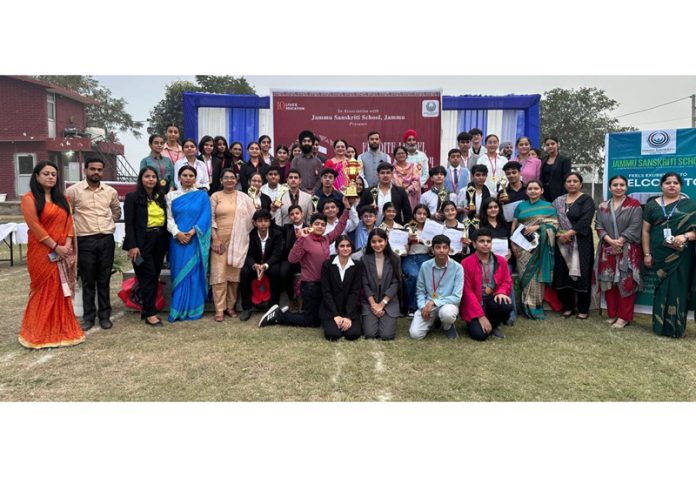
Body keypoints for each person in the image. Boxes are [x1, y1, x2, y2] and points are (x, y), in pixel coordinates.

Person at [257, 198, 353, 328]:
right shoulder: (305, 240)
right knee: (311, 322)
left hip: (323, 284)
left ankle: (286, 314)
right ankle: (278, 316)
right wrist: (301, 239)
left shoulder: (326, 239)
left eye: (323, 224)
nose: (320, 226)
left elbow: (339, 228)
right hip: (309, 285)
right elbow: (292, 259)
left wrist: (347, 209)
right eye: (317, 224)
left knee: (318, 318)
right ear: (311, 226)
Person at [19, 161, 85, 348]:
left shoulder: (62, 199)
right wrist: (55, 246)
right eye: (46, 173)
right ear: (37, 176)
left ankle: (61, 330)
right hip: (42, 252)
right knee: (43, 290)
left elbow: (69, 222)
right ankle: (38, 332)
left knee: (60, 290)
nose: (50, 177)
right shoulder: (29, 199)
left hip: (63, 250)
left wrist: (67, 244)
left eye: (53, 174)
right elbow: (35, 227)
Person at [66, 157, 121, 331]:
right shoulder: (73, 191)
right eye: (92, 169)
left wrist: (107, 224)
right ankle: (89, 317)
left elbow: (116, 212)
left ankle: (105, 316)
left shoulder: (110, 191)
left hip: (105, 239)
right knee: (88, 280)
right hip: (85, 240)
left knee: (104, 279)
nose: (96, 172)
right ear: (85, 170)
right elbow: (68, 215)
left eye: (99, 169)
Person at [642, 172, 696, 338]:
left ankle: (676, 328)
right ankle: (659, 326)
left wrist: (684, 236)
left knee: (679, 289)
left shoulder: (690, 205)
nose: (672, 185)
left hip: (682, 256)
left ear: (680, 186)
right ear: (661, 185)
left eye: (675, 183)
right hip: (660, 255)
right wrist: (647, 254)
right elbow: (645, 231)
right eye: (668, 182)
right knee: (661, 289)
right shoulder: (652, 205)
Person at [594, 175, 643, 329]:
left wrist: (620, 241)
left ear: (626, 187)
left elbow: (635, 226)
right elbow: (598, 225)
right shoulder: (603, 206)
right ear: (610, 188)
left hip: (628, 249)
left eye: (622, 185)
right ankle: (613, 314)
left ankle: (624, 317)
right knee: (609, 281)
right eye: (615, 185)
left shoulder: (634, 204)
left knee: (625, 282)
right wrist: (610, 241)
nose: (618, 187)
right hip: (607, 249)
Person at [123, 166, 170, 327]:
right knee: (147, 276)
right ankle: (150, 314)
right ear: (141, 179)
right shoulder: (132, 197)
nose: (151, 179)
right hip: (141, 242)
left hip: (159, 241)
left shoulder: (160, 197)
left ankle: (146, 309)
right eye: (147, 176)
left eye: (153, 177)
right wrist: (132, 246)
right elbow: (129, 224)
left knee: (154, 275)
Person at [166, 165, 212, 322]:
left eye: (191, 175)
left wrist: (192, 232)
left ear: (195, 178)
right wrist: (177, 233)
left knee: (193, 273)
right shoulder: (171, 196)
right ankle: (178, 309)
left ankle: (193, 309)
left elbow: (205, 216)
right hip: (177, 240)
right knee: (179, 273)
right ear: (179, 178)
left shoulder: (202, 196)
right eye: (184, 175)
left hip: (195, 239)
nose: (187, 178)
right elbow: (169, 218)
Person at [210, 169, 257, 321]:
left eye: (232, 178)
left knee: (234, 275)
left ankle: (230, 306)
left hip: (239, 240)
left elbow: (253, 217)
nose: (229, 180)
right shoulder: (215, 196)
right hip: (220, 241)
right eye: (226, 178)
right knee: (219, 275)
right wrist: (215, 239)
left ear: (236, 181)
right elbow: (210, 219)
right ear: (221, 180)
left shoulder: (244, 197)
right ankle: (219, 309)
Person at [511, 180, 558, 320]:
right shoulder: (520, 206)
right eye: (530, 188)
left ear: (541, 191)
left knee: (536, 278)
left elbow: (554, 226)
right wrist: (513, 244)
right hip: (523, 246)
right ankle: (526, 307)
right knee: (524, 276)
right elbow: (514, 227)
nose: (533, 191)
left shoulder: (549, 207)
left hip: (541, 247)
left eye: (536, 188)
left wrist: (538, 227)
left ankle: (536, 307)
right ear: (526, 191)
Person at [552, 172, 596, 320]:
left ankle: (583, 308)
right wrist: (560, 234)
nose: (572, 183)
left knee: (582, 274)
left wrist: (569, 233)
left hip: (581, 242)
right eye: (569, 181)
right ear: (565, 184)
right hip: (561, 242)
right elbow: (552, 219)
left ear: (580, 184)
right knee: (563, 272)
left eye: (575, 181)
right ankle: (567, 306)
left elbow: (585, 220)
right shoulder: (559, 201)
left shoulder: (586, 199)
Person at [461, 228, 514, 340]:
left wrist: (502, 292)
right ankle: (480, 322)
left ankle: (494, 325)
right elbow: (467, 292)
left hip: (492, 299)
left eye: (488, 241)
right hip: (475, 302)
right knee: (479, 335)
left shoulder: (501, 261)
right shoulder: (466, 263)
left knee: (505, 305)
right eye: (481, 241)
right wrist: (480, 316)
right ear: (474, 244)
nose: (485, 244)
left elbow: (507, 281)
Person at [409, 234, 464, 340]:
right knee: (415, 335)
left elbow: (457, 297)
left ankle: (447, 325)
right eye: (438, 247)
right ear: (432, 250)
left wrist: (434, 302)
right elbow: (420, 290)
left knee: (447, 314)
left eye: (445, 247)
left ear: (449, 249)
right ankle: (435, 321)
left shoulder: (458, 268)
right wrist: (422, 307)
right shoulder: (425, 266)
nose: (441, 250)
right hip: (428, 304)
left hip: (447, 304)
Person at [238, 210, 284, 321]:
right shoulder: (250, 235)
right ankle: (247, 308)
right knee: (244, 272)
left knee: (276, 271)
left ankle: (274, 307)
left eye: (266, 221)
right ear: (254, 223)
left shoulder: (277, 234)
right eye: (260, 221)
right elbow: (247, 255)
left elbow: (277, 254)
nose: (263, 223)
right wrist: (254, 265)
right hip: (255, 265)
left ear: (269, 222)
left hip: (270, 264)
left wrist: (266, 265)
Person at [319, 235, 364, 341]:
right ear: (336, 249)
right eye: (342, 246)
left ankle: (346, 320)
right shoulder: (327, 265)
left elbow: (355, 292)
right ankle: (333, 321)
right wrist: (336, 315)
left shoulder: (358, 266)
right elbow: (326, 292)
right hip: (330, 310)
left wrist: (348, 316)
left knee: (353, 334)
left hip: (350, 310)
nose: (345, 248)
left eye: (348, 246)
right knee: (333, 335)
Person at [479, 197, 516, 323]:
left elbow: (510, 242)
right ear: (485, 210)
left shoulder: (505, 224)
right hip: (486, 262)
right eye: (490, 207)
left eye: (495, 207)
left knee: (508, 279)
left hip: (505, 261)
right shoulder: (480, 225)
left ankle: (510, 315)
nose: (493, 209)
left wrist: (510, 251)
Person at [361, 228, 402, 340]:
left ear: (386, 241)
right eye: (373, 242)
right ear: (370, 243)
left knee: (386, 335)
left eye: (380, 241)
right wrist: (374, 305)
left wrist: (382, 304)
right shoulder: (364, 259)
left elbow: (395, 283)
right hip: (370, 300)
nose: (377, 244)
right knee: (370, 334)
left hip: (388, 300)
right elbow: (364, 283)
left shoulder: (395, 258)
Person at [403, 204, 432, 315]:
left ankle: (427, 304)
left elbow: (432, 249)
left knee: (427, 276)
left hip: (425, 256)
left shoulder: (431, 228)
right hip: (410, 257)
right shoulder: (408, 226)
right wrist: (409, 241)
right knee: (414, 275)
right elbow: (402, 248)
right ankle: (412, 306)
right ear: (414, 215)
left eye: (424, 214)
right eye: (419, 213)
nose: (421, 216)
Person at [279, 204, 305, 311]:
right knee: (283, 272)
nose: (295, 216)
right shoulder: (286, 228)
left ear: (302, 214)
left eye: (297, 213)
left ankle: (304, 301)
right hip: (289, 259)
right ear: (289, 217)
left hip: (305, 260)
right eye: (292, 214)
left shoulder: (309, 227)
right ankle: (291, 299)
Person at [540, 136, 572, 202]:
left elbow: (567, 179)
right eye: (547, 145)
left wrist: (564, 196)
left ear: (558, 144)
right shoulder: (542, 160)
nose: (550, 146)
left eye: (552, 144)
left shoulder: (564, 160)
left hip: (559, 194)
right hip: (544, 194)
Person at [392, 145, 421, 211]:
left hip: (411, 195)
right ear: (395, 156)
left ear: (407, 155)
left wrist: (407, 190)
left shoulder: (413, 166)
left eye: (403, 153)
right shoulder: (392, 168)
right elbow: (393, 182)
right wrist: (402, 192)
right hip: (397, 195)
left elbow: (416, 181)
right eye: (398, 154)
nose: (401, 155)